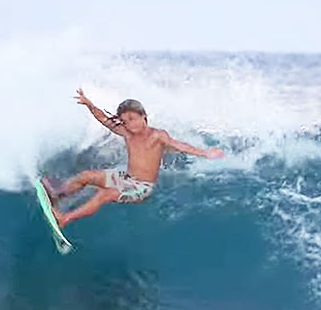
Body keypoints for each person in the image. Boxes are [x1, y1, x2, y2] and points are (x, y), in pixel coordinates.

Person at [42, 89, 224, 228]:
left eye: (133, 118)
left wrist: (206, 153)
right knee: (87, 175)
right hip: (126, 177)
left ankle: (65, 219)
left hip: (141, 188)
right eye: (125, 121)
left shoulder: (157, 135)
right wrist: (89, 104)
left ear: (144, 117)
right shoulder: (127, 134)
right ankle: (58, 195)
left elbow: (179, 145)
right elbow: (104, 120)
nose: (130, 124)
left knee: (105, 194)